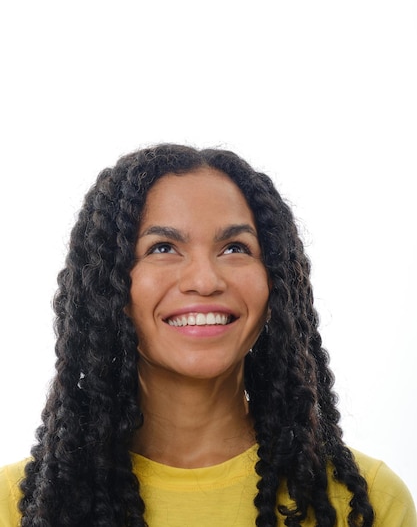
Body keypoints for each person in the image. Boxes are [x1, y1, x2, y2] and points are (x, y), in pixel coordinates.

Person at [0, 143, 415, 527]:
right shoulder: (18, 503)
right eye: (163, 247)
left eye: (235, 248)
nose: (204, 279)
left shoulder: (368, 500)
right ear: (111, 288)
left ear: (275, 284)